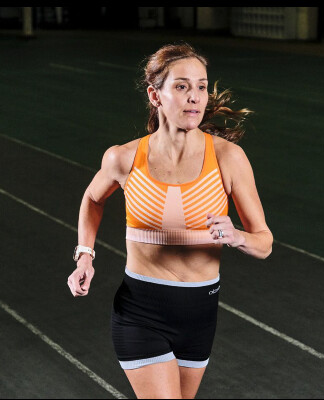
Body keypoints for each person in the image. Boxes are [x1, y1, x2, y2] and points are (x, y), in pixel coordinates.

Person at [67, 42, 273, 399]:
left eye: (201, 87)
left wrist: (237, 236)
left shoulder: (229, 159)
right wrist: (85, 254)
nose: (195, 96)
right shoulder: (123, 158)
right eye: (181, 86)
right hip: (140, 312)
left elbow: (264, 243)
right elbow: (93, 198)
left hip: (200, 316)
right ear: (155, 95)